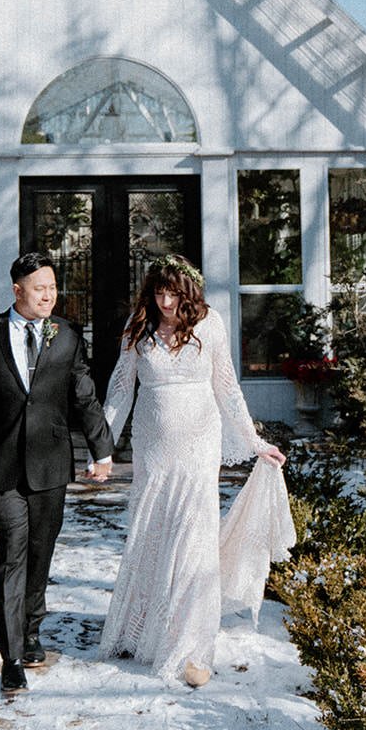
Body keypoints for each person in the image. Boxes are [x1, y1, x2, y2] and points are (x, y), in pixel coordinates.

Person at [99, 255, 287, 688]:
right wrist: (102, 444)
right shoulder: (138, 326)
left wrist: (255, 442)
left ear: (189, 292)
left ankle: (192, 646)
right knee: (151, 531)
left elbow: (227, 387)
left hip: (200, 443)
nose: (165, 302)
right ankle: (141, 625)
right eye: (159, 292)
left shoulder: (211, 324)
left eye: (173, 293)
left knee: (192, 538)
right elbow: (122, 387)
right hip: (153, 445)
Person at [0, 251, 113, 693]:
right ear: (17, 290)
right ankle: (12, 656)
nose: (49, 296)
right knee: (13, 549)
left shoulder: (68, 336)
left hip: (51, 463)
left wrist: (102, 450)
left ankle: (32, 628)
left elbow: (84, 397)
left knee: (41, 551)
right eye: (40, 288)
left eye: (53, 287)